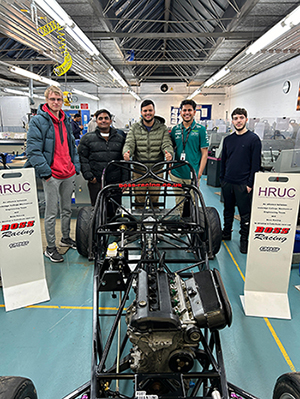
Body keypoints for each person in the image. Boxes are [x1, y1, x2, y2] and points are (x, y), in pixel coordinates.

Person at [25, 85, 80, 263]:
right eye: (52, 99)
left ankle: (65, 237)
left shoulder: (66, 120)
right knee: (51, 212)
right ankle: (50, 247)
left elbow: (72, 145)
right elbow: (33, 150)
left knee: (66, 209)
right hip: (52, 174)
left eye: (59, 99)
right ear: (46, 100)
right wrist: (46, 172)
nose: (56, 103)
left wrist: (75, 166)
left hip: (68, 172)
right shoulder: (38, 121)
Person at [220, 107, 261, 254]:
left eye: (241, 118)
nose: (238, 121)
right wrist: (222, 180)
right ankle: (226, 232)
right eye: (236, 118)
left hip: (244, 184)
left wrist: (250, 183)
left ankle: (244, 240)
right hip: (228, 182)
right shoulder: (228, 140)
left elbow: (256, 164)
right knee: (228, 210)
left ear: (246, 119)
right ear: (232, 121)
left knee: (245, 214)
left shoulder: (253, 139)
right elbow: (223, 161)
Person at [123, 99, 173, 207]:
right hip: (139, 171)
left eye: (150, 110)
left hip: (157, 171)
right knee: (139, 200)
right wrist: (127, 153)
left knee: (155, 200)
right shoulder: (134, 128)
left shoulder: (162, 128)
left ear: (154, 111)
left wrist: (168, 153)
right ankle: (139, 223)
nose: (148, 113)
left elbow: (166, 143)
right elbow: (129, 143)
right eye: (145, 111)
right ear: (141, 112)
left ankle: (154, 221)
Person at [78, 109, 127, 215]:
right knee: (97, 211)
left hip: (115, 182)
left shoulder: (120, 139)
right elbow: (82, 158)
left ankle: (114, 231)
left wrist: (125, 181)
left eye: (106, 118)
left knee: (114, 211)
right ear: (96, 121)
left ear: (110, 121)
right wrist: (89, 176)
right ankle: (98, 231)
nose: (103, 121)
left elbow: (124, 161)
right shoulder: (87, 139)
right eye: (100, 118)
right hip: (96, 181)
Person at [170, 99, 209, 215]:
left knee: (193, 202)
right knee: (179, 203)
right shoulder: (175, 129)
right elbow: (170, 149)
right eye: (184, 110)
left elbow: (204, 153)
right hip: (176, 174)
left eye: (189, 110)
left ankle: (192, 228)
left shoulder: (201, 130)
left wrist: (200, 173)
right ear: (180, 112)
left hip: (192, 174)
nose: (187, 113)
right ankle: (179, 226)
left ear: (194, 112)